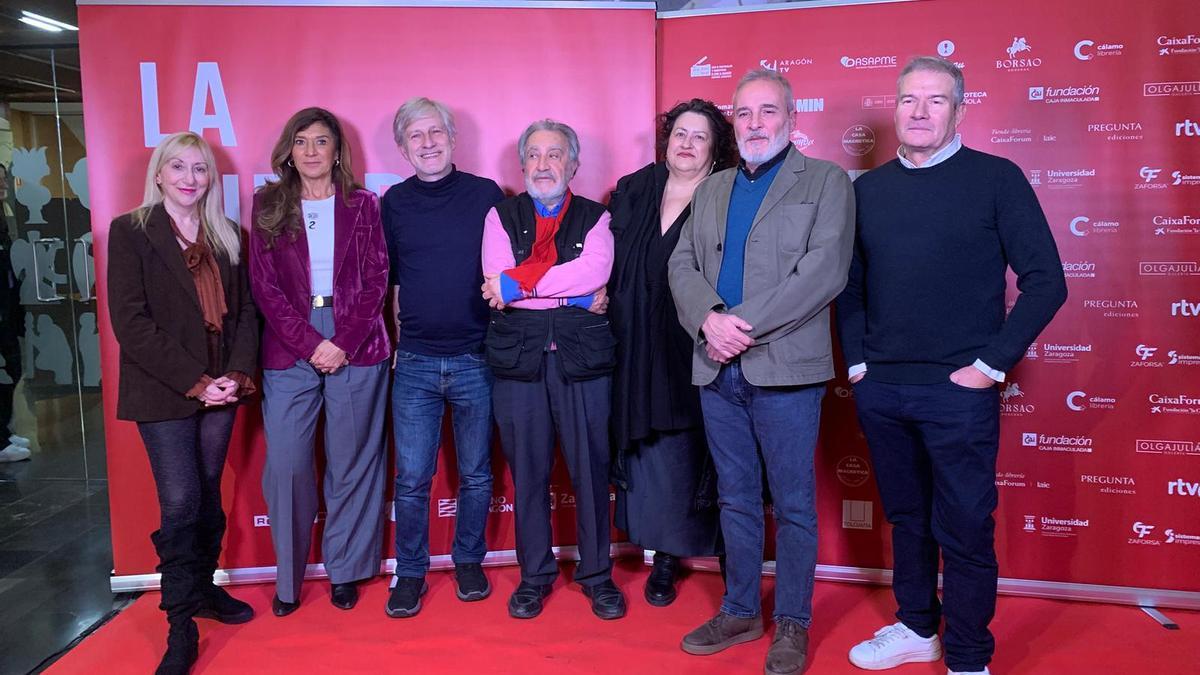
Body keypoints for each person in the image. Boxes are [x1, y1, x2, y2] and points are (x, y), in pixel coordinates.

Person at [838, 57, 1066, 675]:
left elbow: (1047, 281)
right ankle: (917, 627)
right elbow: (851, 288)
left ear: (959, 110)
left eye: (935, 101)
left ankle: (967, 655)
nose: (918, 112)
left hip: (958, 393)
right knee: (908, 518)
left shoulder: (997, 179)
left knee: (963, 526)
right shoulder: (868, 191)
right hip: (884, 389)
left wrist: (989, 367)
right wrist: (859, 366)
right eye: (909, 99)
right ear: (895, 108)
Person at [667, 68, 855, 675]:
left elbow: (823, 274)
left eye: (767, 112)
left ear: (792, 119)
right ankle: (742, 608)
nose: (754, 124)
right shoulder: (714, 187)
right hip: (716, 368)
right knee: (736, 498)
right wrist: (709, 321)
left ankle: (794, 622)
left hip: (784, 370)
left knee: (795, 504)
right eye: (743, 114)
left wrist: (737, 326)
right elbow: (683, 265)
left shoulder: (826, 182)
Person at [107, 131, 258, 674]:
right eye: (179, 168)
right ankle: (179, 624)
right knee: (180, 502)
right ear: (160, 174)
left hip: (223, 389)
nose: (190, 178)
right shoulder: (131, 231)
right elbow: (131, 323)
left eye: (200, 169)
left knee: (209, 497)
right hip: (164, 389)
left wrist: (234, 376)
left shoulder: (227, 236)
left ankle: (205, 589)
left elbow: (243, 315)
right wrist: (196, 380)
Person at [250, 107, 391, 617]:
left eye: (322, 141)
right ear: (289, 150)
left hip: (355, 339)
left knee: (352, 463)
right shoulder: (267, 204)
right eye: (302, 141)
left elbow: (377, 279)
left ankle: (346, 571)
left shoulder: (364, 205)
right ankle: (287, 581)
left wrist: (342, 341)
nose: (311, 151)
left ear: (337, 151)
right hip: (291, 345)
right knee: (287, 467)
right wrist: (312, 344)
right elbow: (264, 286)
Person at [481, 119, 623, 620]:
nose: (544, 165)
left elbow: (596, 272)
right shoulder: (500, 216)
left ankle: (597, 576)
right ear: (522, 165)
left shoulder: (597, 217)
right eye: (535, 155)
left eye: (555, 154)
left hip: (582, 362)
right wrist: (575, 296)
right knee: (530, 475)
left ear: (574, 164)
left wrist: (519, 288)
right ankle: (535, 576)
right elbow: (495, 277)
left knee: (590, 471)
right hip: (518, 364)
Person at [608, 98, 734, 606]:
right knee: (649, 453)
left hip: (696, 343)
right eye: (679, 133)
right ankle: (659, 554)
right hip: (633, 340)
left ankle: (692, 553)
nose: (686, 144)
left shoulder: (726, 194)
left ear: (714, 147)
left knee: (691, 451)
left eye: (698, 136)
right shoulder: (636, 187)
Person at [382, 97, 505, 618]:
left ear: (453, 139)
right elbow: (388, 282)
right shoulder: (392, 202)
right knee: (412, 478)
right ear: (402, 147)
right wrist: (392, 345)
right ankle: (409, 574)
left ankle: (469, 560)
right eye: (416, 136)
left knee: (476, 474)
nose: (428, 143)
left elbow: (507, 271)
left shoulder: (486, 195)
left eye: (436, 133)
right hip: (414, 362)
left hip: (477, 358)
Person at [0, 163, 27, 463]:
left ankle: (5, 431)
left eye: (3, 178)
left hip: (8, 308)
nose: (3, 183)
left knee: (11, 370)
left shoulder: (5, 216)